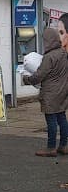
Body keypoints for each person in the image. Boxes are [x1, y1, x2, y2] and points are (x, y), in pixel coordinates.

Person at [23, 27, 68, 157]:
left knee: (51, 120)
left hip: (50, 93)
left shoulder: (49, 57)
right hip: (63, 91)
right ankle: (64, 145)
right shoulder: (63, 53)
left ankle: (51, 148)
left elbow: (39, 75)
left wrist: (27, 79)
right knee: (62, 118)